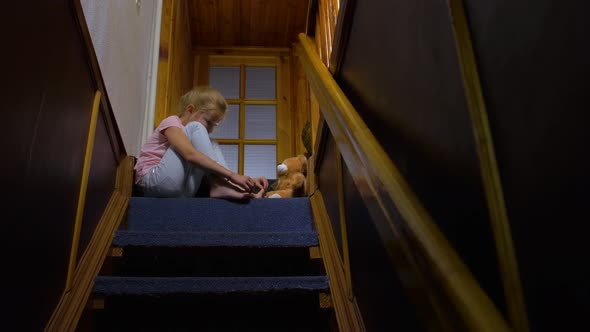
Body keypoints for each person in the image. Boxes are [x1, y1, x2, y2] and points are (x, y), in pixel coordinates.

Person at [134, 86, 268, 200]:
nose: (210, 129)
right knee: (196, 127)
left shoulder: (196, 136)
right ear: (191, 110)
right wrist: (233, 176)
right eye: (209, 122)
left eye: (214, 125)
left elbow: (202, 160)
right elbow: (189, 155)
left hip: (182, 191)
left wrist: (248, 182)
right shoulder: (172, 122)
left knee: (212, 144)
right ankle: (219, 184)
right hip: (154, 181)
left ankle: (222, 186)